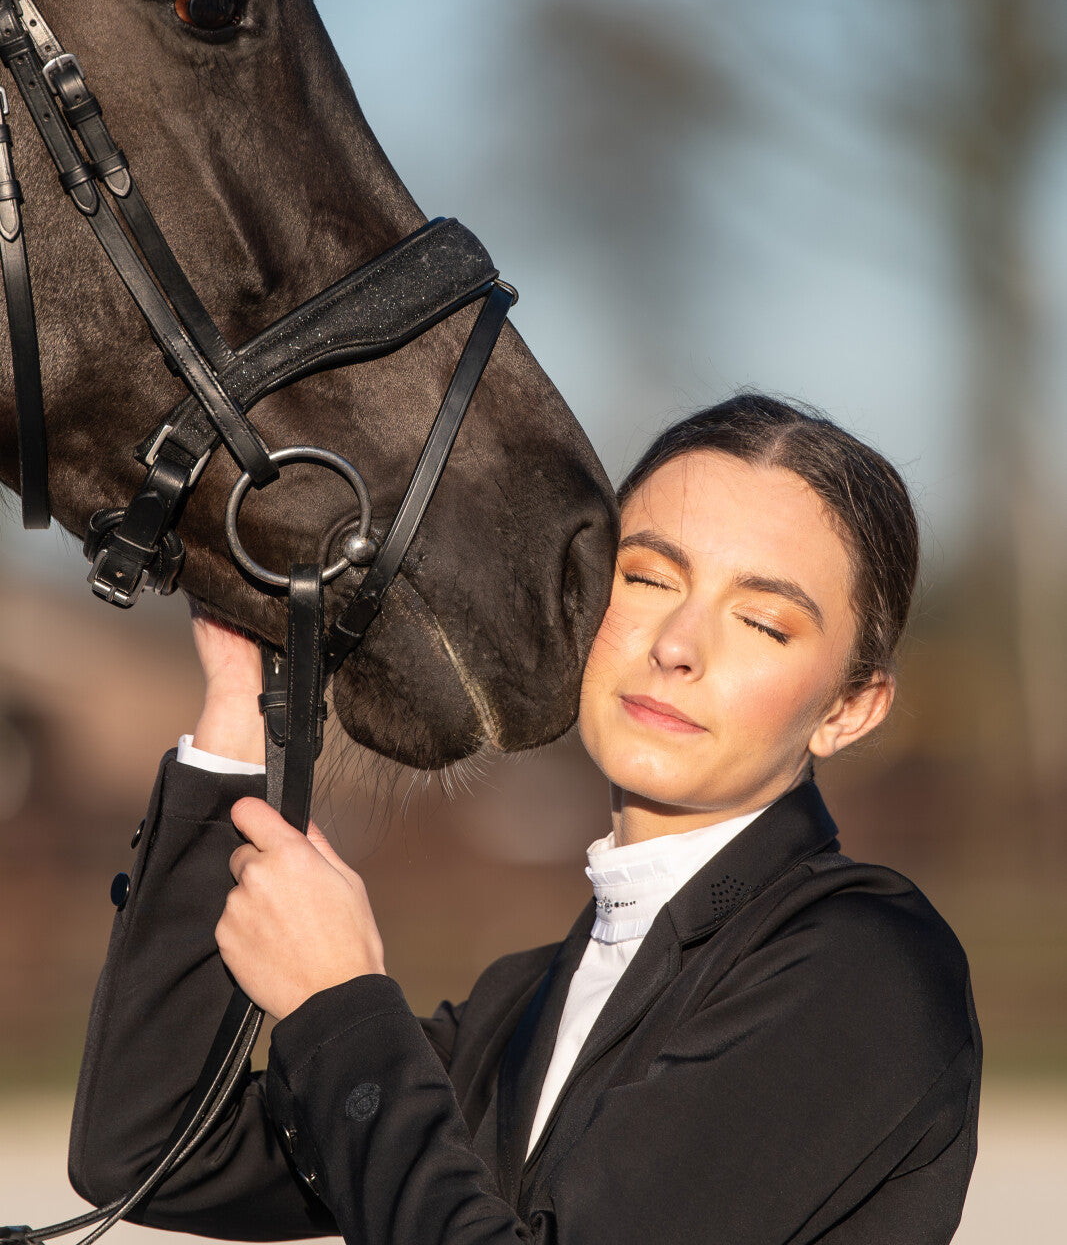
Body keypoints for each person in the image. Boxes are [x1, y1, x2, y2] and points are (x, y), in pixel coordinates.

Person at [69, 394, 981, 1244]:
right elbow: (147, 1149)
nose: (676, 647)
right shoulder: (522, 1006)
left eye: (762, 624)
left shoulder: (867, 964)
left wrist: (336, 1005)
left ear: (849, 708)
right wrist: (237, 710)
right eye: (649, 578)